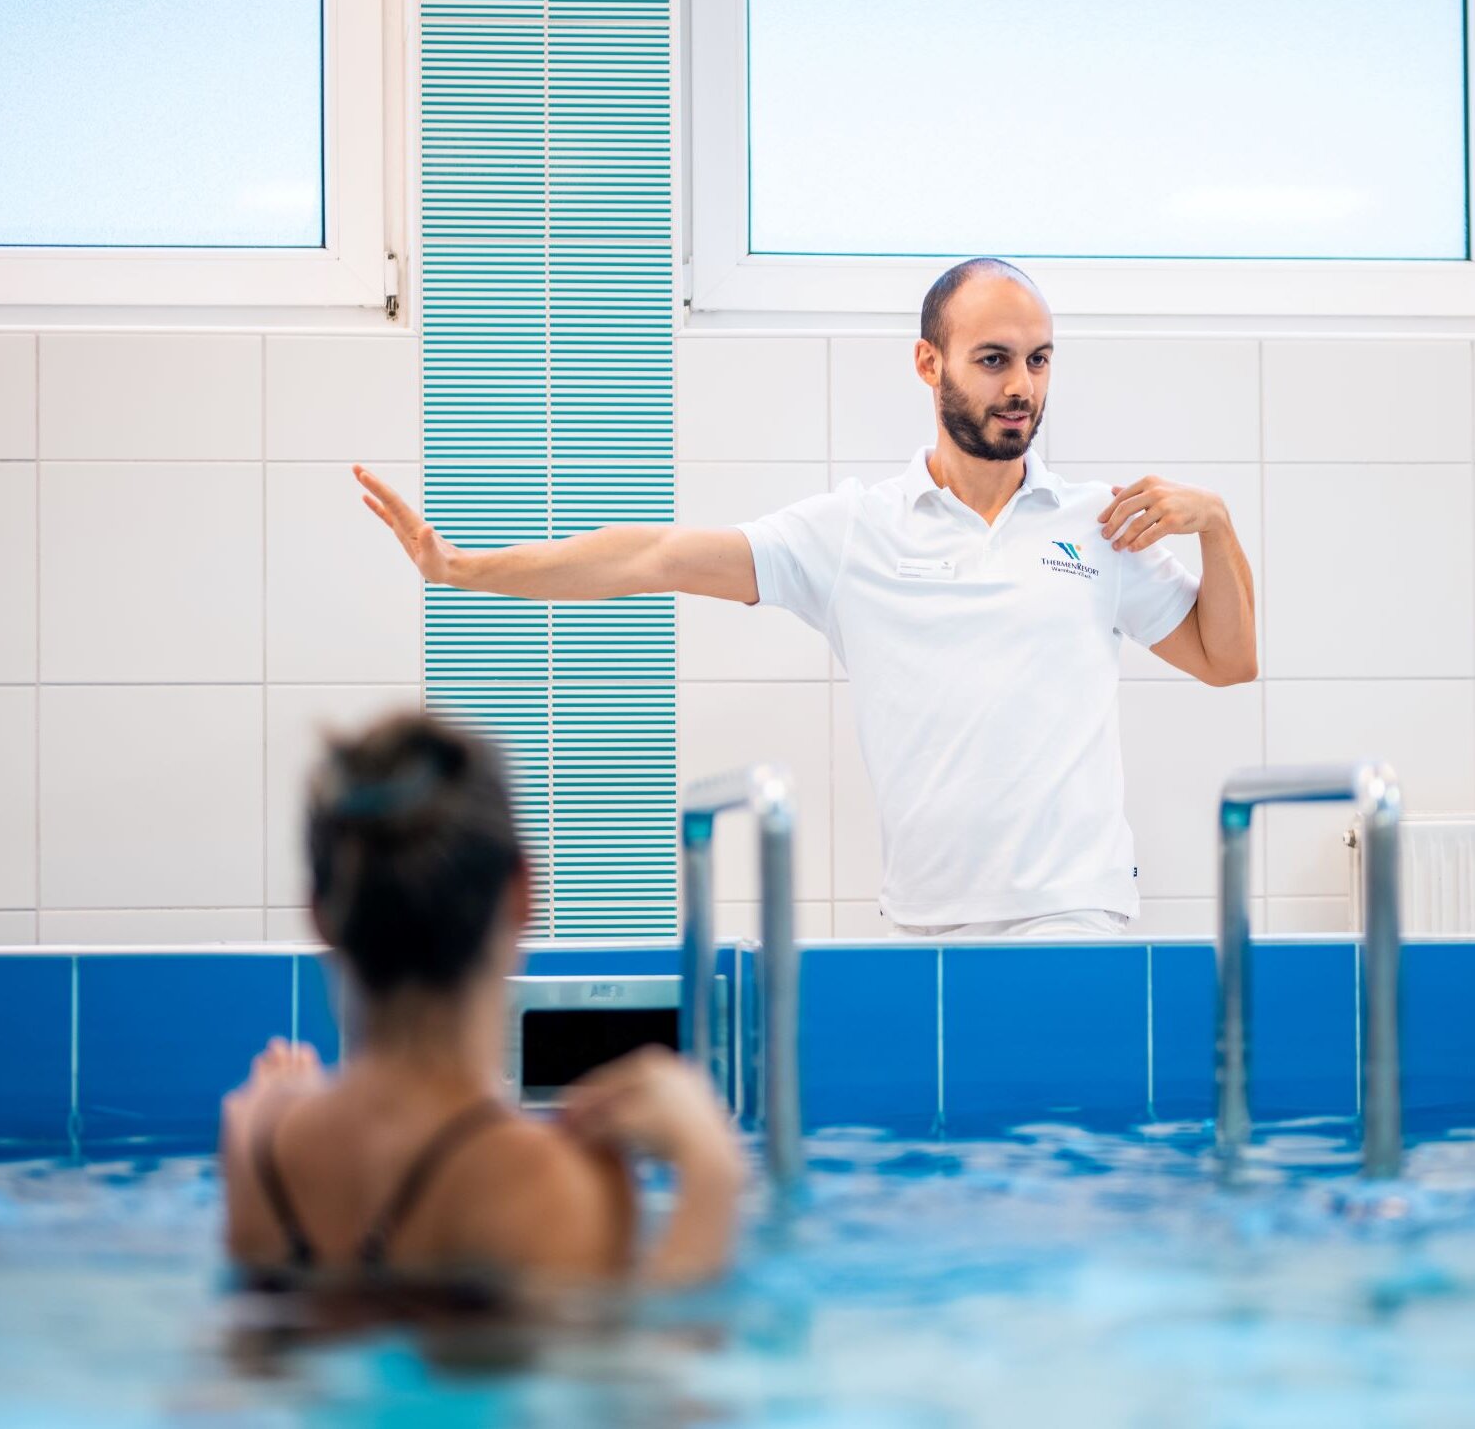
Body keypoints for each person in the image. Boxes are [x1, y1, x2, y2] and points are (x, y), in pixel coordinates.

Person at [354, 257, 1256, 940]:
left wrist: (1214, 525)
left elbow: (1230, 661)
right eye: (992, 360)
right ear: (926, 362)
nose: (1022, 387)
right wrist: (467, 569)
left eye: (1038, 360)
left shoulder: (1102, 524)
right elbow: (656, 555)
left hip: (1078, 915)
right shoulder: (855, 531)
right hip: (923, 925)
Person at [220, 712, 744, 1289]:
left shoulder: (255, 1147)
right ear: (523, 893)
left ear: (320, 913)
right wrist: (710, 1169)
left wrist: (281, 1100)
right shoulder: (561, 1184)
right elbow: (644, 1372)